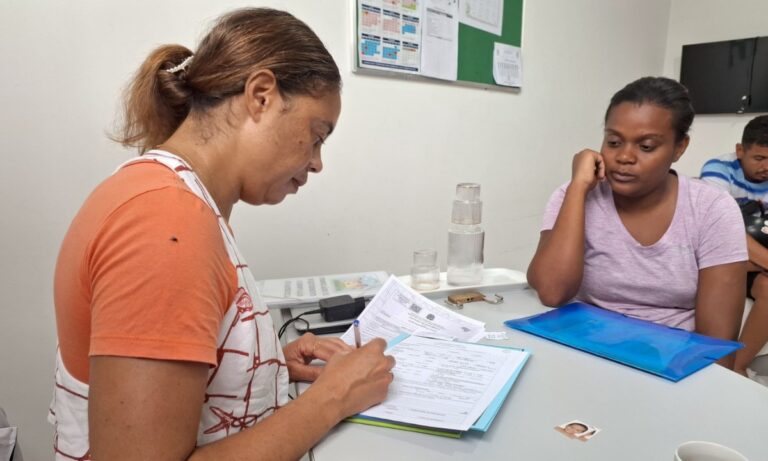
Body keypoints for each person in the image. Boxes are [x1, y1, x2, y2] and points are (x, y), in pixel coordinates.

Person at [49, 8, 395, 460]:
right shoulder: (165, 221)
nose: (316, 162)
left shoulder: (170, 197)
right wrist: (333, 398)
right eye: (316, 135)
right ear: (261, 95)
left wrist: (264, 369)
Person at [527, 77, 747, 368]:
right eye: (613, 142)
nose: (624, 157)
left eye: (646, 146)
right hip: (580, 352)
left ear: (679, 147)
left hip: (670, 364)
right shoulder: (573, 196)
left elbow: (717, 349)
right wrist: (578, 189)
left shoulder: (712, 209)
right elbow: (552, 292)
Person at [700, 115, 768, 376]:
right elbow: (720, 226)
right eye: (759, 158)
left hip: (756, 259)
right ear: (740, 151)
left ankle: (737, 367)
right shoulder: (719, 169)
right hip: (725, 253)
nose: (766, 166)